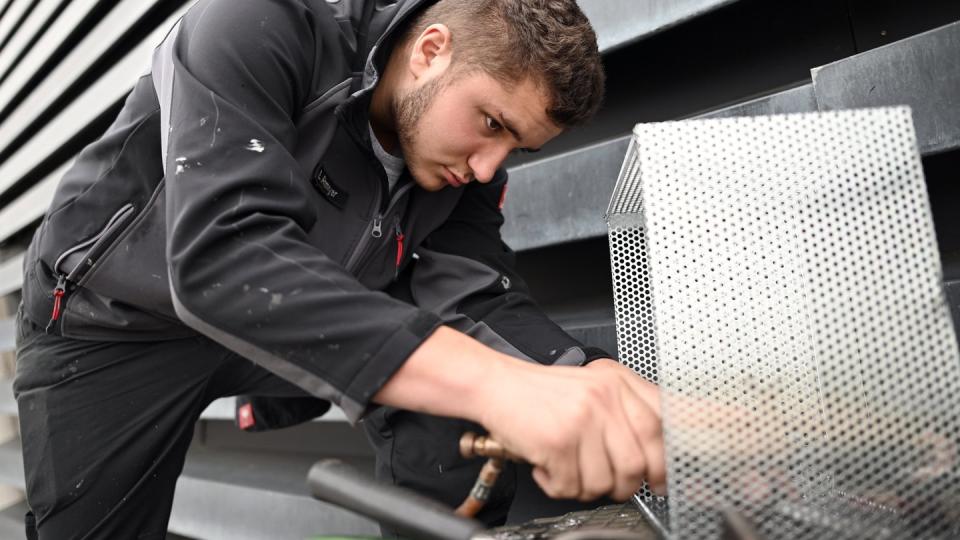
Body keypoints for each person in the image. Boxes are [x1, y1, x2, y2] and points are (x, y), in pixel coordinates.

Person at [14, 0, 665, 537]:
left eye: (515, 145)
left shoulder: (462, 168)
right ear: (430, 50)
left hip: (284, 317)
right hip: (114, 324)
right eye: (489, 122)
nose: (491, 167)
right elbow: (223, 253)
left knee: (469, 390)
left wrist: (586, 377)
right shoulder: (262, 21)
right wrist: (499, 386)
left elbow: (479, 299)